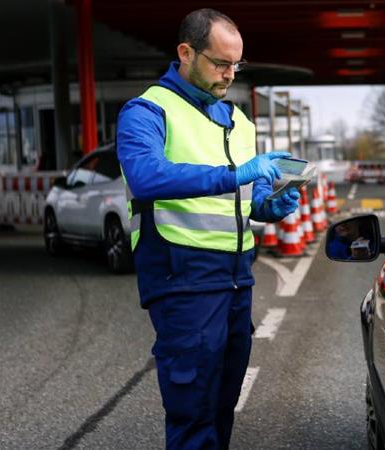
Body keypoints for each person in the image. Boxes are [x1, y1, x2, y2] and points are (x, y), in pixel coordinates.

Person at [116, 9, 299, 449]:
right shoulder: (146, 110)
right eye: (221, 63)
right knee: (193, 410)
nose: (230, 74)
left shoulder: (241, 123)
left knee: (221, 405)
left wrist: (270, 205)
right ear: (185, 52)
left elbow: (245, 201)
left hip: (237, 279)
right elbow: (146, 177)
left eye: (237, 64)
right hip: (182, 279)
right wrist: (235, 174)